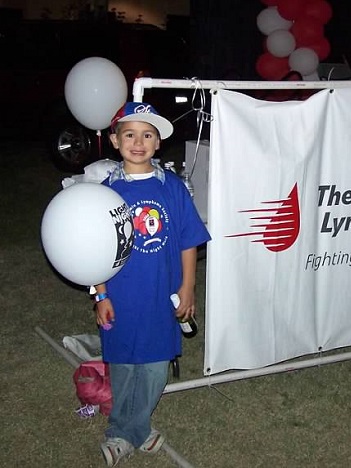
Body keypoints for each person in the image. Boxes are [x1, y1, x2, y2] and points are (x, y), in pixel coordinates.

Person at [94, 102, 211, 466]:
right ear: (115, 141)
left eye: (148, 135)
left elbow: (189, 239)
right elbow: (90, 248)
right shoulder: (104, 192)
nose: (139, 142)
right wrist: (100, 294)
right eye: (130, 134)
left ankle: (137, 426)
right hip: (120, 296)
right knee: (124, 366)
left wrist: (189, 287)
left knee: (156, 367)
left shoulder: (173, 189)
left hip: (163, 296)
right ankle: (121, 433)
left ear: (158, 143)